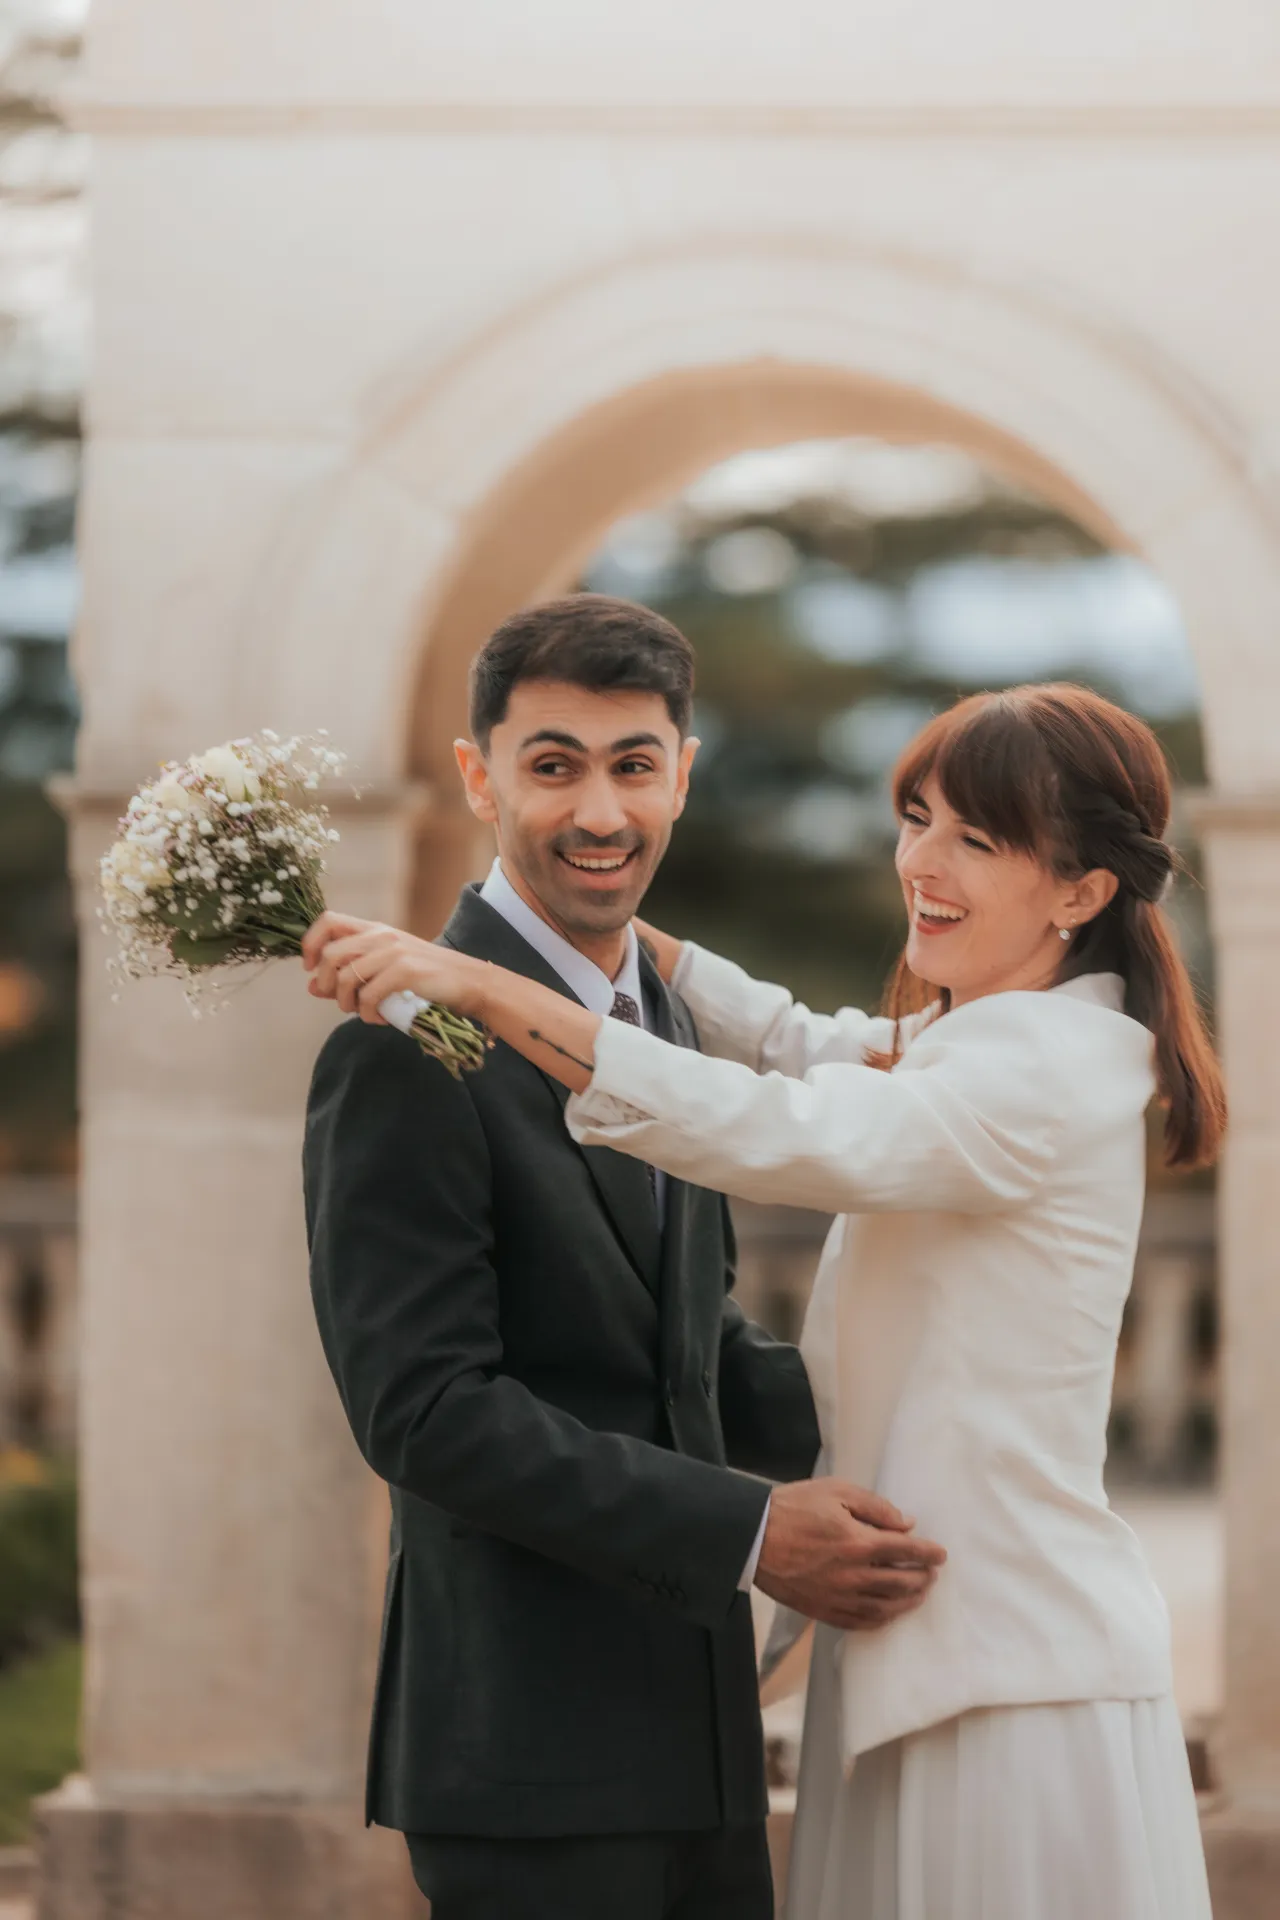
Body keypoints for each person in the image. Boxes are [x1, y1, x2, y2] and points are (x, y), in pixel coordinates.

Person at [307, 677, 1224, 1920]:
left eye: (977, 837)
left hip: (1003, 1674)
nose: (922, 862)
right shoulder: (998, 1036)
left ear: (1079, 890)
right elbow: (796, 1037)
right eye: (916, 818)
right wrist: (603, 943)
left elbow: (763, 1122)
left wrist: (476, 985)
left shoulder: (1042, 1068)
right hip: (924, 1651)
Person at [301, 594, 945, 1920]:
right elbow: (425, 1412)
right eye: (553, 765)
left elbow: (692, 1345)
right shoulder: (401, 1045)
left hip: (700, 1746)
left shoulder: (666, 1024)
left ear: (682, 776)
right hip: (525, 1758)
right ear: (480, 776)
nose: (600, 812)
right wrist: (753, 1528)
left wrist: (944, 1416)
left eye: (633, 765)